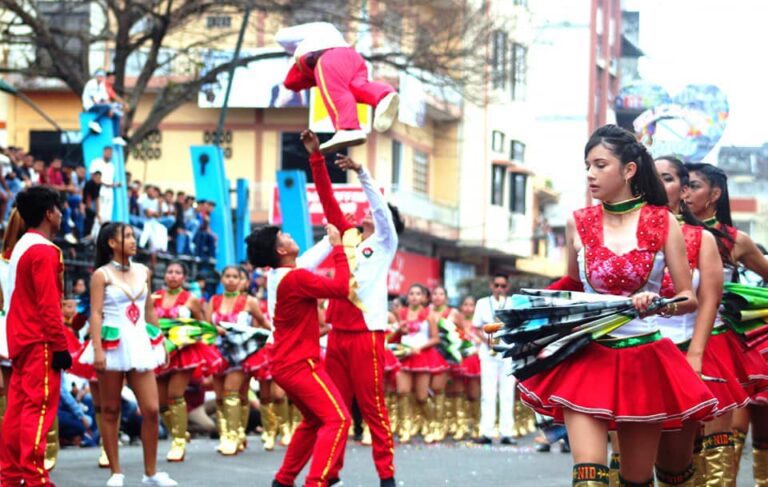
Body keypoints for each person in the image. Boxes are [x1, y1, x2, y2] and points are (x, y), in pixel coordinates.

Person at [518, 125, 717, 486]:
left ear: (628, 170)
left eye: (600, 165)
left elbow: (688, 298)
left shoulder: (663, 222)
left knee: (636, 479)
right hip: (587, 356)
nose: (591, 175)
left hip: (643, 358)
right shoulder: (576, 222)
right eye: (587, 167)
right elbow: (573, 287)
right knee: (589, 476)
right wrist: (522, 315)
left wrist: (659, 304)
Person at [302, 130, 400, 484]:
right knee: (336, 413)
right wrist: (316, 157)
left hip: (367, 338)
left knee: (372, 410)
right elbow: (328, 201)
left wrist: (362, 173)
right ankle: (330, 474)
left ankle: (386, 476)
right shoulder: (348, 240)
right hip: (338, 339)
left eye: (373, 215)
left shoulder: (385, 244)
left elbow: (381, 210)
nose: (366, 216)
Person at [245, 223, 352, 487]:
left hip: (289, 363)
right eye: (285, 235)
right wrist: (339, 248)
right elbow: (341, 288)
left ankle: (283, 480)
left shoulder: (281, 274)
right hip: (299, 365)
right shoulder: (295, 278)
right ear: (281, 250)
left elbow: (306, 261)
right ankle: (316, 482)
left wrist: (330, 240)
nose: (290, 235)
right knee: (338, 420)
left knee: (315, 421)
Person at [685, 162, 768, 483]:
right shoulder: (667, 233)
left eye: (694, 185)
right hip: (670, 341)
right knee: (680, 440)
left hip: (720, 347)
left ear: (715, 194)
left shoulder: (736, 240)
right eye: (684, 185)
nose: (686, 192)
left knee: (720, 438)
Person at [79, 223, 176, 487]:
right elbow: (96, 313)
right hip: (112, 342)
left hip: (140, 342)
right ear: (111, 243)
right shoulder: (101, 275)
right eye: (128, 236)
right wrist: (97, 348)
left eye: (134, 235)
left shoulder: (144, 270)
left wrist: (162, 342)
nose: (134, 240)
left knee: (152, 409)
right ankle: (116, 472)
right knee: (110, 409)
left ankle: (151, 473)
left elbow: (149, 310)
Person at [0, 186, 72, 487]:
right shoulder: (44, 250)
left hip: (21, 340)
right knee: (38, 409)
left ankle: (9, 476)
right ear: (48, 213)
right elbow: (48, 305)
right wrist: (60, 345)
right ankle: (35, 478)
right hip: (40, 341)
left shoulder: (19, 247)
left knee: (17, 411)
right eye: (58, 209)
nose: (61, 214)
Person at [275, 22, 399, 153]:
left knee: (335, 92)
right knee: (357, 87)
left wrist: (292, 48)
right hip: (354, 58)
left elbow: (280, 37)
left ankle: (347, 129)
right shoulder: (333, 39)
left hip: (328, 57)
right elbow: (291, 83)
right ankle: (384, 95)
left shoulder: (320, 38)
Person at [154, 261, 222, 462]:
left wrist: (200, 336)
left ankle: (178, 443)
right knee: (160, 402)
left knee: (175, 395)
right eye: (170, 272)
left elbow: (201, 324)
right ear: (164, 276)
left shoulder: (191, 300)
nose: (173, 276)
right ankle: (181, 432)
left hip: (184, 352)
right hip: (160, 352)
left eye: (178, 273)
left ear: (184, 278)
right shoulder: (154, 298)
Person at [207, 266, 269, 456]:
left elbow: (264, 323)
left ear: (242, 280)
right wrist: (214, 329)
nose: (231, 280)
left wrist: (272, 336)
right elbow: (207, 324)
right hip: (218, 351)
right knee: (219, 398)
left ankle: (233, 437)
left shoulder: (249, 301)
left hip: (241, 354)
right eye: (228, 276)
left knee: (231, 393)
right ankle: (226, 435)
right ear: (222, 279)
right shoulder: (214, 300)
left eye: (235, 277)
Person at [472, 272, 516, 445]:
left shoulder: (512, 303)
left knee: (507, 393)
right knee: (487, 393)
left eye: (503, 286)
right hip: (488, 351)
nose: (499, 289)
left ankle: (507, 433)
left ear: (508, 287)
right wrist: (487, 342)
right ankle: (486, 432)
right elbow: (476, 328)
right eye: (496, 285)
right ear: (491, 285)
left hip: (507, 351)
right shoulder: (482, 303)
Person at [81, 69, 126, 146]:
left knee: (117, 115)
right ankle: (94, 122)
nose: (100, 78)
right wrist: (108, 107)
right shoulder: (91, 84)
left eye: (102, 76)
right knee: (107, 107)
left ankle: (116, 136)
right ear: (96, 76)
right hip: (90, 106)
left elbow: (105, 99)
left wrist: (112, 108)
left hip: (100, 107)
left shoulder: (102, 86)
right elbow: (94, 100)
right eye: (99, 76)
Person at [89, 147, 119, 224]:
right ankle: (95, 234)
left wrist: (113, 185)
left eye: (111, 153)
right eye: (108, 152)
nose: (109, 154)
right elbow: (93, 177)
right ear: (104, 152)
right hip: (99, 191)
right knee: (98, 214)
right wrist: (107, 184)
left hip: (109, 193)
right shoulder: (96, 162)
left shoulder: (111, 166)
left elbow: (111, 181)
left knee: (107, 216)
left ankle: (105, 233)